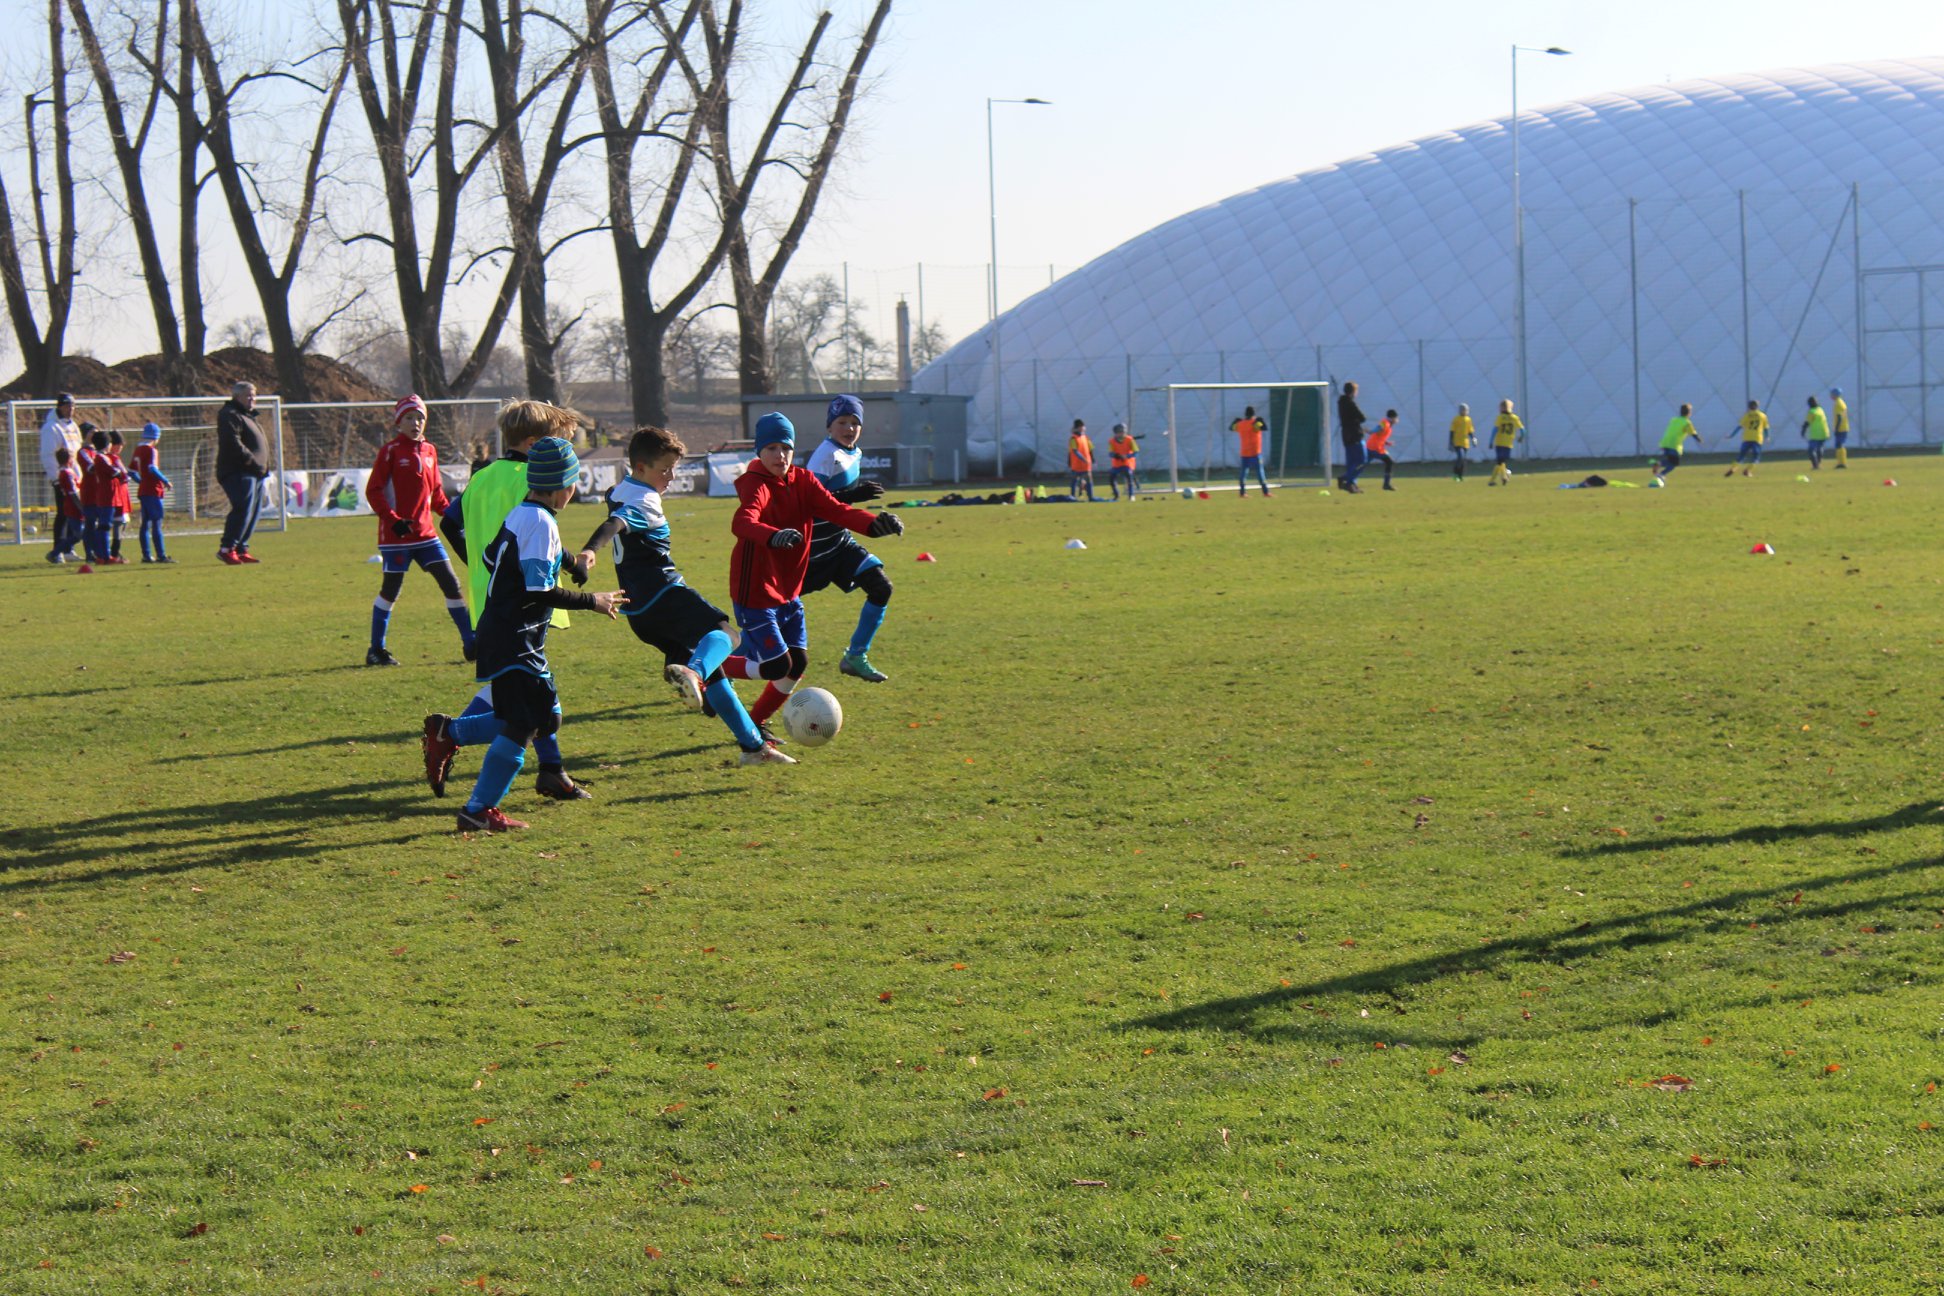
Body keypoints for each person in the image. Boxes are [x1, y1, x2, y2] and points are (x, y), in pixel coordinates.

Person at [567, 424, 791, 765]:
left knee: (716, 672)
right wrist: (588, 551)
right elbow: (615, 524)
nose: (671, 477)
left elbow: (614, 509)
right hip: (665, 595)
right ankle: (693, 673)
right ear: (641, 467)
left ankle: (753, 747)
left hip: (639, 613)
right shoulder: (644, 500)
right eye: (665, 470)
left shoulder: (620, 490)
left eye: (674, 469)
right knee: (726, 635)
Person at [449, 437, 625, 833]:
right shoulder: (542, 523)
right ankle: (478, 809)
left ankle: (451, 735)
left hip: (505, 631)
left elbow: (491, 557)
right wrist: (592, 601)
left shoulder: (523, 512)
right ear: (565, 487)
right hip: (515, 636)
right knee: (523, 722)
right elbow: (539, 590)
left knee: (546, 717)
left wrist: (570, 562)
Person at [424, 399, 592, 802]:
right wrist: (573, 564)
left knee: (531, 686)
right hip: (525, 595)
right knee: (524, 693)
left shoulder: (483, 476)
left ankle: (551, 769)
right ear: (533, 444)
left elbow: (449, 521)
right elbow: (537, 536)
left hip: (493, 593)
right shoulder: (530, 479)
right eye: (553, 442)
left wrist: (476, 565)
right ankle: (451, 734)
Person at [717, 412, 903, 742]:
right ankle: (712, 670)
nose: (780, 455)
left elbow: (836, 510)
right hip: (756, 591)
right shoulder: (756, 483)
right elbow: (742, 522)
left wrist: (875, 525)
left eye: (786, 448)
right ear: (759, 451)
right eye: (772, 448)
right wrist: (772, 535)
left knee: (798, 662)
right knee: (777, 666)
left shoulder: (802, 480)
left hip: (789, 590)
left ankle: (755, 723)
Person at [363, 394, 476, 667]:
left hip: (426, 536)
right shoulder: (390, 451)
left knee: (451, 583)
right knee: (391, 590)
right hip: (397, 538)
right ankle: (376, 650)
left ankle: (471, 644)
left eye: (420, 418)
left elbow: (437, 495)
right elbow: (373, 491)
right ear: (398, 422)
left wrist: (455, 516)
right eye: (410, 418)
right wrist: (393, 520)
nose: (416, 423)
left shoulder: (430, 451)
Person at [802, 394, 898, 684]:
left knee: (881, 587)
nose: (849, 428)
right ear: (829, 426)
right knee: (771, 613)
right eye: (842, 422)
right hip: (810, 552)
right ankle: (729, 665)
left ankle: (855, 656)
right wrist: (853, 495)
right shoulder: (825, 456)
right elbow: (810, 503)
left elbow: (838, 507)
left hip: (839, 543)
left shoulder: (853, 452)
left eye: (855, 423)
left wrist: (873, 520)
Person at [215, 380, 268, 563]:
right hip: (239, 470)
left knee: (253, 511)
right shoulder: (229, 414)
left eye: (254, 395)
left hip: (255, 472)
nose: (252, 399)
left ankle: (241, 548)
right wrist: (251, 461)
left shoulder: (249, 416)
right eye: (248, 395)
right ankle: (227, 548)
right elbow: (232, 442)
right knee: (242, 508)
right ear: (237, 396)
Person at [37, 393, 81, 541]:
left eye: (73, 406)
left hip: (74, 476)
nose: (71, 409)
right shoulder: (51, 427)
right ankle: (59, 547)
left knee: (73, 513)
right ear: (60, 407)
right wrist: (56, 478)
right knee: (63, 512)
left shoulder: (73, 426)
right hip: (62, 477)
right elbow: (48, 454)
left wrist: (78, 474)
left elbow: (77, 452)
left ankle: (68, 547)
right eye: (67, 406)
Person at [131, 422, 173, 563]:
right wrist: (165, 480)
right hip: (154, 490)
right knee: (157, 522)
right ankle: (161, 555)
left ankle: (146, 555)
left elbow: (131, 472)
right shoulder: (151, 450)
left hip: (143, 491)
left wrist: (142, 482)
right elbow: (152, 468)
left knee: (145, 524)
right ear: (156, 437)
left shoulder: (138, 450)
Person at [80, 427, 119, 562]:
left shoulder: (101, 454)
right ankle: (91, 554)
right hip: (90, 492)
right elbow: (92, 468)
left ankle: (101, 554)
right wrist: (112, 468)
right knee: (91, 524)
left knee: (103, 524)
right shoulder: (84, 452)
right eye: (92, 431)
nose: (95, 433)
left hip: (101, 492)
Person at [46, 446, 82, 563]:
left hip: (73, 506)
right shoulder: (66, 473)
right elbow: (73, 493)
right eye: (72, 458)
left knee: (80, 533)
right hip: (72, 507)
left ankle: (62, 552)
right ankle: (55, 553)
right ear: (69, 459)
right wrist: (82, 508)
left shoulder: (67, 472)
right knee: (80, 533)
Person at [1652, 403, 1702, 481]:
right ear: (1689, 413)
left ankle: (1660, 467)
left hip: (1665, 443)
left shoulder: (1674, 420)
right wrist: (1699, 439)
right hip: (1674, 445)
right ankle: (1661, 470)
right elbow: (1693, 433)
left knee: (1670, 461)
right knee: (1674, 463)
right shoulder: (1687, 423)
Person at [1230, 405, 1271, 496]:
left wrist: (1235, 421)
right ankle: (1266, 492)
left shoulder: (1241, 424)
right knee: (1260, 472)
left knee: (1244, 472)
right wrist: (1261, 421)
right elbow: (1264, 428)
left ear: (1245, 414)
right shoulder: (1254, 423)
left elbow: (1231, 428)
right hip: (1255, 452)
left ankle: (1242, 492)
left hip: (1244, 453)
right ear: (1254, 414)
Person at [105, 430, 133, 562]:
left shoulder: (107, 458)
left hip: (116, 493)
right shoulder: (113, 458)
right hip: (118, 493)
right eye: (119, 444)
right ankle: (115, 551)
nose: (121, 447)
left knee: (118, 522)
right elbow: (124, 474)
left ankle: (113, 551)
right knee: (120, 522)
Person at [1336, 383, 1368, 493]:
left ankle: (1351, 485)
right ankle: (1346, 478)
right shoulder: (1351, 403)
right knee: (1362, 461)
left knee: (1351, 462)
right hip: (1355, 434)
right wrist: (1357, 421)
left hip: (1346, 435)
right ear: (1353, 392)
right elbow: (1362, 418)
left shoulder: (1341, 403)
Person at [1725, 400, 1767, 477]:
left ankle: (1733, 468)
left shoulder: (1747, 415)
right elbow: (1766, 428)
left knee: (1741, 456)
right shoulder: (1762, 415)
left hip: (1746, 438)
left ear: (1749, 406)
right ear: (1757, 406)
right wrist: (1767, 436)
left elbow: (1739, 426)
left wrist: (1732, 435)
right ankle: (1747, 471)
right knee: (1756, 457)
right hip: (1757, 439)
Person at [1487, 400, 1523, 486]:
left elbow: (1495, 430)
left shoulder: (1500, 417)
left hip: (1499, 443)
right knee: (1501, 461)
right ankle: (1504, 476)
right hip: (1508, 443)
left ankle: (1496, 479)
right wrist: (1521, 438)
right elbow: (1523, 430)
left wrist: (1491, 441)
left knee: (1500, 462)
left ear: (1502, 408)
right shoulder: (1514, 418)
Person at [1366, 410, 1399, 491]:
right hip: (1375, 448)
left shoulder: (1387, 424)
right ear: (1392, 418)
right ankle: (1386, 485)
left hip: (1373, 447)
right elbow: (1378, 428)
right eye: (1396, 418)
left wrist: (1387, 443)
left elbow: (1380, 436)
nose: (1397, 420)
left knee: (1362, 464)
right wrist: (1371, 431)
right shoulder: (1385, 423)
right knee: (1389, 462)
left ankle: (1344, 478)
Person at [1106, 423, 1139, 500]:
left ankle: (1131, 495)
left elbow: (1136, 452)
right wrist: (1117, 455)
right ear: (1115, 433)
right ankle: (1116, 495)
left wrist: (1127, 456)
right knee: (1111, 478)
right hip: (1117, 464)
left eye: (1123, 432)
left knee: (1129, 476)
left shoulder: (1130, 440)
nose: (1121, 434)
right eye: (1120, 432)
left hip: (1127, 463)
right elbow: (1110, 453)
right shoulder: (1112, 441)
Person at [1067, 419, 1097, 500]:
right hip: (1076, 464)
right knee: (1074, 480)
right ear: (1077, 428)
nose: (1083, 428)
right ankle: (1073, 497)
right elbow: (1074, 451)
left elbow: (1091, 449)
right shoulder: (1073, 438)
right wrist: (1083, 459)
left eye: (1083, 426)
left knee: (1089, 479)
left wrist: (1093, 460)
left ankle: (1091, 497)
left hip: (1086, 464)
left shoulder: (1086, 438)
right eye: (1081, 427)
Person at [1802, 395, 1830, 469]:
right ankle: (1818, 463)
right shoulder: (1820, 410)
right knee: (1820, 448)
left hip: (1816, 434)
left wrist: (1803, 431)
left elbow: (1807, 422)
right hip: (1824, 432)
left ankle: (1815, 465)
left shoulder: (1812, 412)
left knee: (1811, 450)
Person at [1449, 404, 1475, 480]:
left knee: (1463, 460)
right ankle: (1455, 474)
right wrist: (1451, 442)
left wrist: (1473, 438)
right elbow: (1452, 431)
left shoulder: (1468, 419)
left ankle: (1460, 476)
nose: (1464, 411)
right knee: (1460, 457)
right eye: (1462, 410)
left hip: (1465, 443)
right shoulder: (1456, 419)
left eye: (1465, 410)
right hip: (1457, 442)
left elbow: (1470, 431)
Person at [1829, 387, 1851, 468]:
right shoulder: (1841, 402)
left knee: (1840, 445)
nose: (1831, 396)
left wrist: (1837, 428)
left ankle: (1842, 463)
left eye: (1832, 394)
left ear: (1835, 394)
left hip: (1841, 428)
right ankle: (1840, 462)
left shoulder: (1838, 403)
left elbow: (1839, 417)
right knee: (1839, 445)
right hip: (1843, 427)